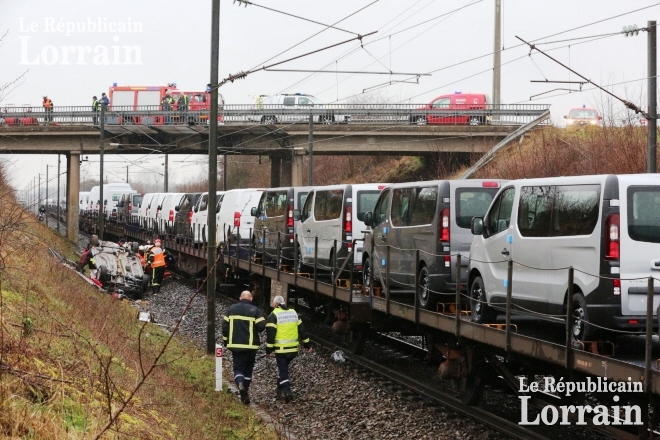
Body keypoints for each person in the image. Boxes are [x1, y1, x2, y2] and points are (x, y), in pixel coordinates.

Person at [222, 290, 266, 405]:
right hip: (251, 346)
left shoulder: (231, 310)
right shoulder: (255, 311)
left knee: (238, 368)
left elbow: (224, 328)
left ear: (240, 298)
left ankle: (240, 385)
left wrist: (226, 341)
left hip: (235, 345)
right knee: (248, 369)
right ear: (251, 299)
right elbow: (262, 326)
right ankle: (245, 389)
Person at [266, 295, 311, 403]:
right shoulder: (293, 313)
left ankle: (287, 392)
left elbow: (270, 335)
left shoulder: (273, 315)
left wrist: (268, 350)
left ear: (275, 304)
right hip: (293, 350)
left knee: (283, 371)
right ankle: (279, 388)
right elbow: (302, 330)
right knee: (283, 368)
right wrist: (307, 345)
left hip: (281, 350)